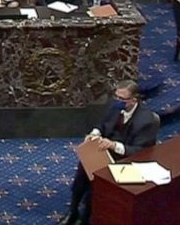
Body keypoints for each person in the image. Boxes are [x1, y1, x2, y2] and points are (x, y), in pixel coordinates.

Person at [60, 81, 158, 225]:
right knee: (83, 173)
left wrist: (113, 145)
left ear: (133, 100)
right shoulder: (114, 106)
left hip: (125, 159)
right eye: (116, 96)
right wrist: (94, 134)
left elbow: (141, 151)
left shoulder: (146, 120)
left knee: (98, 186)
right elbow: (102, 125)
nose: (117, 101)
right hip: (103, 150)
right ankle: (73, 210)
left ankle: (87, 216)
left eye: (122, 99)